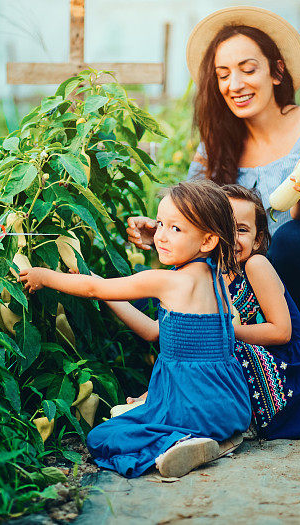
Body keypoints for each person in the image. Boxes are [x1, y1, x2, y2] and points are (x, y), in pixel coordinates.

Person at [127, 6, 300, 419]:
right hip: (248, 300)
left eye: (247, 69)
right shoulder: (216, 147)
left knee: (293, 237)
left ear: (276, 71)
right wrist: (161, 230)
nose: (235, 84)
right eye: (223, 74)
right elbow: (194, 223)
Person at [19, 180, 250, 478]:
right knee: (134, 416)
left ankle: (180, 442)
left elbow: (93, 290)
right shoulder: (217, 278)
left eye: (175, 229)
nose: (161, 237)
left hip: (190, 405)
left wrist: (45, 276)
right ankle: (216, 439)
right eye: (160, 224)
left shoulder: (168, 281)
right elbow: (152, 331)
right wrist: (95, 279)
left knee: (102, 437)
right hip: (228, 403)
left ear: (207, 241)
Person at [223, 184, 300, 439]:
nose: (231, 238)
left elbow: (282, 332)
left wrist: (228, 331)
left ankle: (234, 420)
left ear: (257, 239)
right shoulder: (210, 274)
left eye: (242, 230)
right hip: (252, 357)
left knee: (218, 344)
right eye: (222, 227)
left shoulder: (256, 265)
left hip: (285, 370)